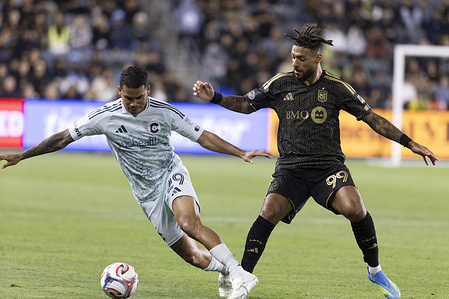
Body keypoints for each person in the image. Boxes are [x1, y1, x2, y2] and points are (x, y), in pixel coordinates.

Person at [193, 23, 438, 299]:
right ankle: (242, 279)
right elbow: (246, 105)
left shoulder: (336, 88)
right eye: (293, 57)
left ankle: (374, 269)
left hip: (327, 165)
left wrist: (411, 143)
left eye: (301, 58)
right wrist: (213, 97)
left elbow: (373, 120)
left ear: (318, 58)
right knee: (268, 212)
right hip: (291, 167)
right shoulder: (280, 83)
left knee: (355, 209)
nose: (295, 63)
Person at [0, 65, 273, 299]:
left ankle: (240, 274)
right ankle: (226, 270)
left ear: (148, 90)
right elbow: (62, 138)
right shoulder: (104, 116)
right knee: (191, 256)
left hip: (170, 175)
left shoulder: (165, 112)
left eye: (139, 97)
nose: (133, 103)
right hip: (147, 194)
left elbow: (202, 136)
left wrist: (240, 151)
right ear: (120, 90)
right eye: (128, 98)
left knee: (189, 223)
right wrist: (23, 156)